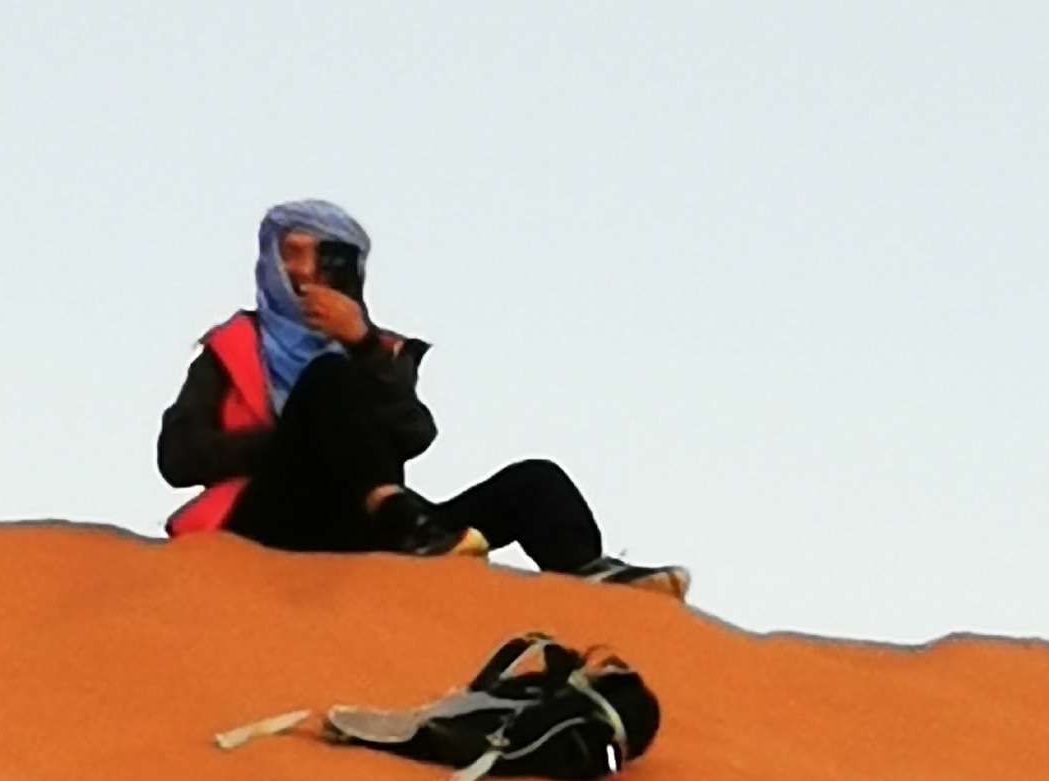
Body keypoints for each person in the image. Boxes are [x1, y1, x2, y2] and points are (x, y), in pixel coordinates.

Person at [157, 200, 686, 592]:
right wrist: (292, 438)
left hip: (375, 532)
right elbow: (177, 458)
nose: (303, 270)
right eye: (291, 253)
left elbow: (413, 433)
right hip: (268, 524)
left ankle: (591, 577)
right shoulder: (230, 348)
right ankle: (401, 519)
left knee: (535, 482)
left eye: (322, 257)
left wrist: (363, 345)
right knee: (327, 379)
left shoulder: (378, 351)